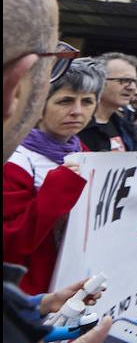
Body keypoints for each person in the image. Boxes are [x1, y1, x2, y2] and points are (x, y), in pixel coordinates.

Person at [3, 58, 102, 294]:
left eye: (87, 102)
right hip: (25, 293)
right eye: (65, 100)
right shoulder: (14, 158)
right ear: (38, 105)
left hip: (69, 286)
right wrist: (59, 186)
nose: (78, 111)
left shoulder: (84, 152)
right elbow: (12, 243)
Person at [75, 52, 137, 152]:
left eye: (135, 81)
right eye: (124, 80)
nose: (132, 87)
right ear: (100, 81)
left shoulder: (123, 124)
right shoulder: (75, 123)